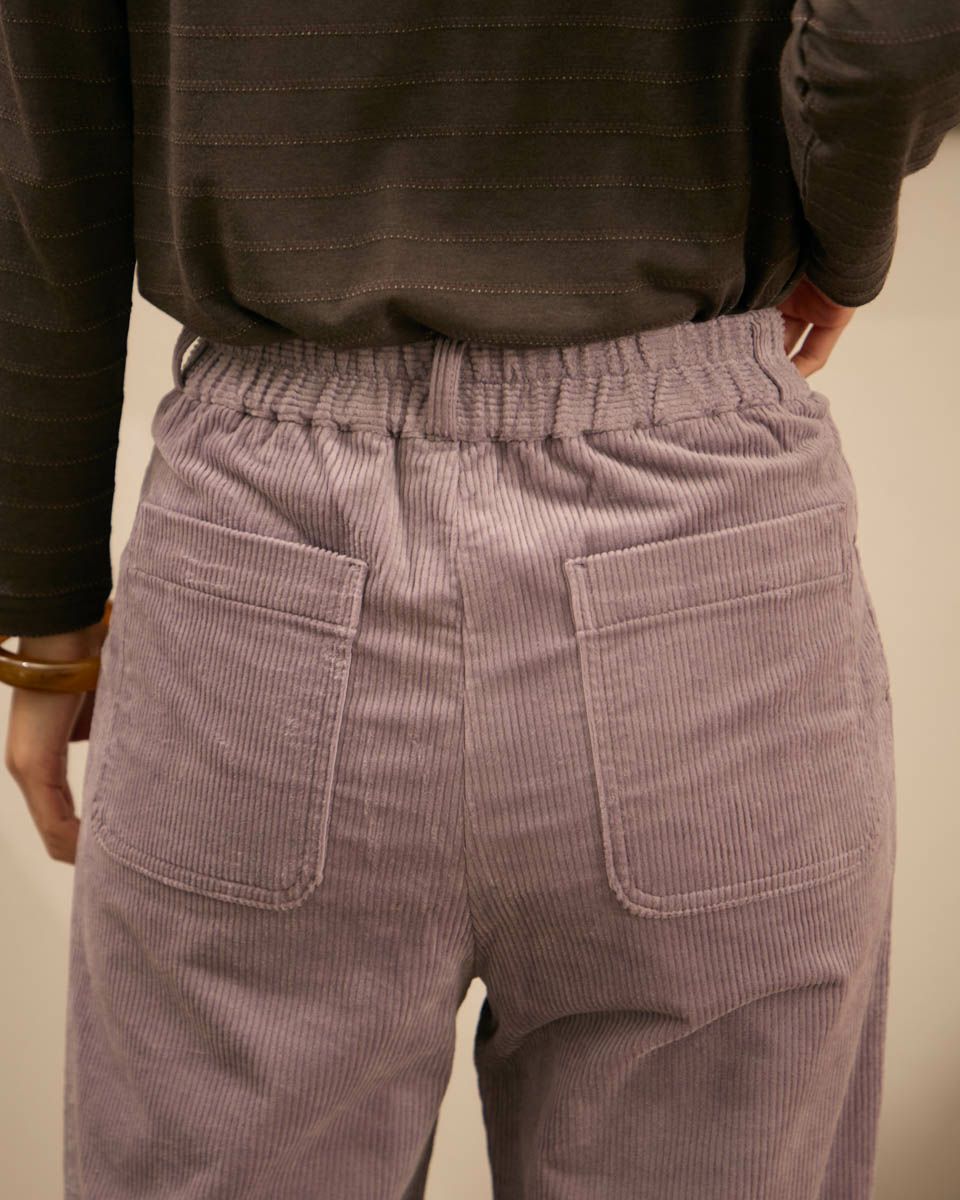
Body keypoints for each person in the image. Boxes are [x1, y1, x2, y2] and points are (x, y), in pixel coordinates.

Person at [1, 2, 957, 1197]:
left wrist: (47, 609)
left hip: (268, 545)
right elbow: (896, 28)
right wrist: (843, 235)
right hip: (699, 529)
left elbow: (45, 126)